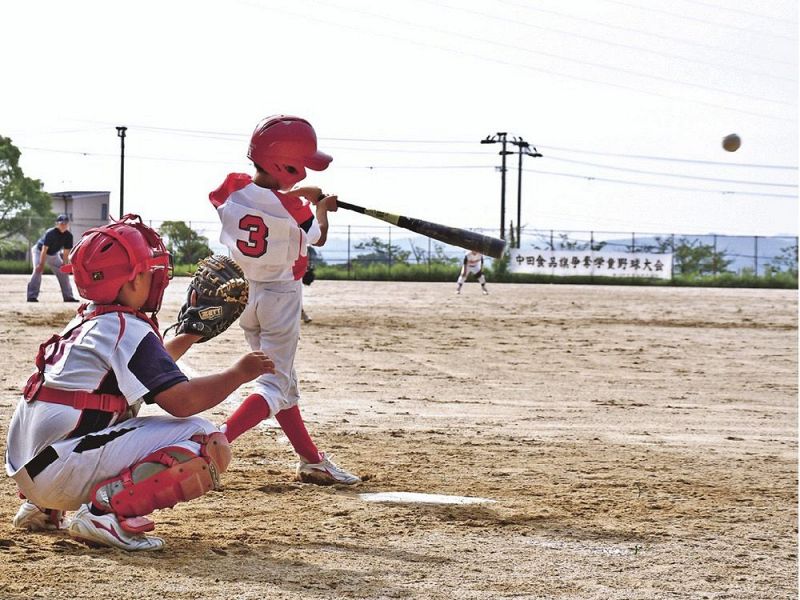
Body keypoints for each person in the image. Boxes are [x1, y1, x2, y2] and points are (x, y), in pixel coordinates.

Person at [5, 214, 274, 551]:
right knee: (207, 440)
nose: (157, 277)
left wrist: (189, 335)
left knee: (106, 407)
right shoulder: (126, 329)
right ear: (131, 282)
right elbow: (182, 401)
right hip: (60, 470)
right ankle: (104, 512)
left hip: (31, 471)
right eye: (149, 271)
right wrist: (239, 373)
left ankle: (42, 508)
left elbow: (148, 368)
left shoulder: (90, 320)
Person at [210, 114, 360, 485]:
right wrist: (321, 210)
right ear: (287, 165)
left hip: (244, 295)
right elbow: (317, 237)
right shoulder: (297, 212)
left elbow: (259, 199)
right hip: (281, 296)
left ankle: (311, 459)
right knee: (274, 384)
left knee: (282, 380)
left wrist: (297, 198)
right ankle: (215, 442)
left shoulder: (231, 188)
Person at [26, 214, 79, 302]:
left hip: (53, 254)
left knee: (63, 272)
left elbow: (66, 252)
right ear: (57, 224)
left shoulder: (69, 236)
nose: (63, 225)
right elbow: (44, 249)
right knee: (38, 270)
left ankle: (68, 297)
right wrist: (41, 264)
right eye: (61, 223)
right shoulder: (51, 233)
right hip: (39, 251)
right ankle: (31, 296)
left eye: (65, 223)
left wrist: (64, 264)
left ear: (68, 225)